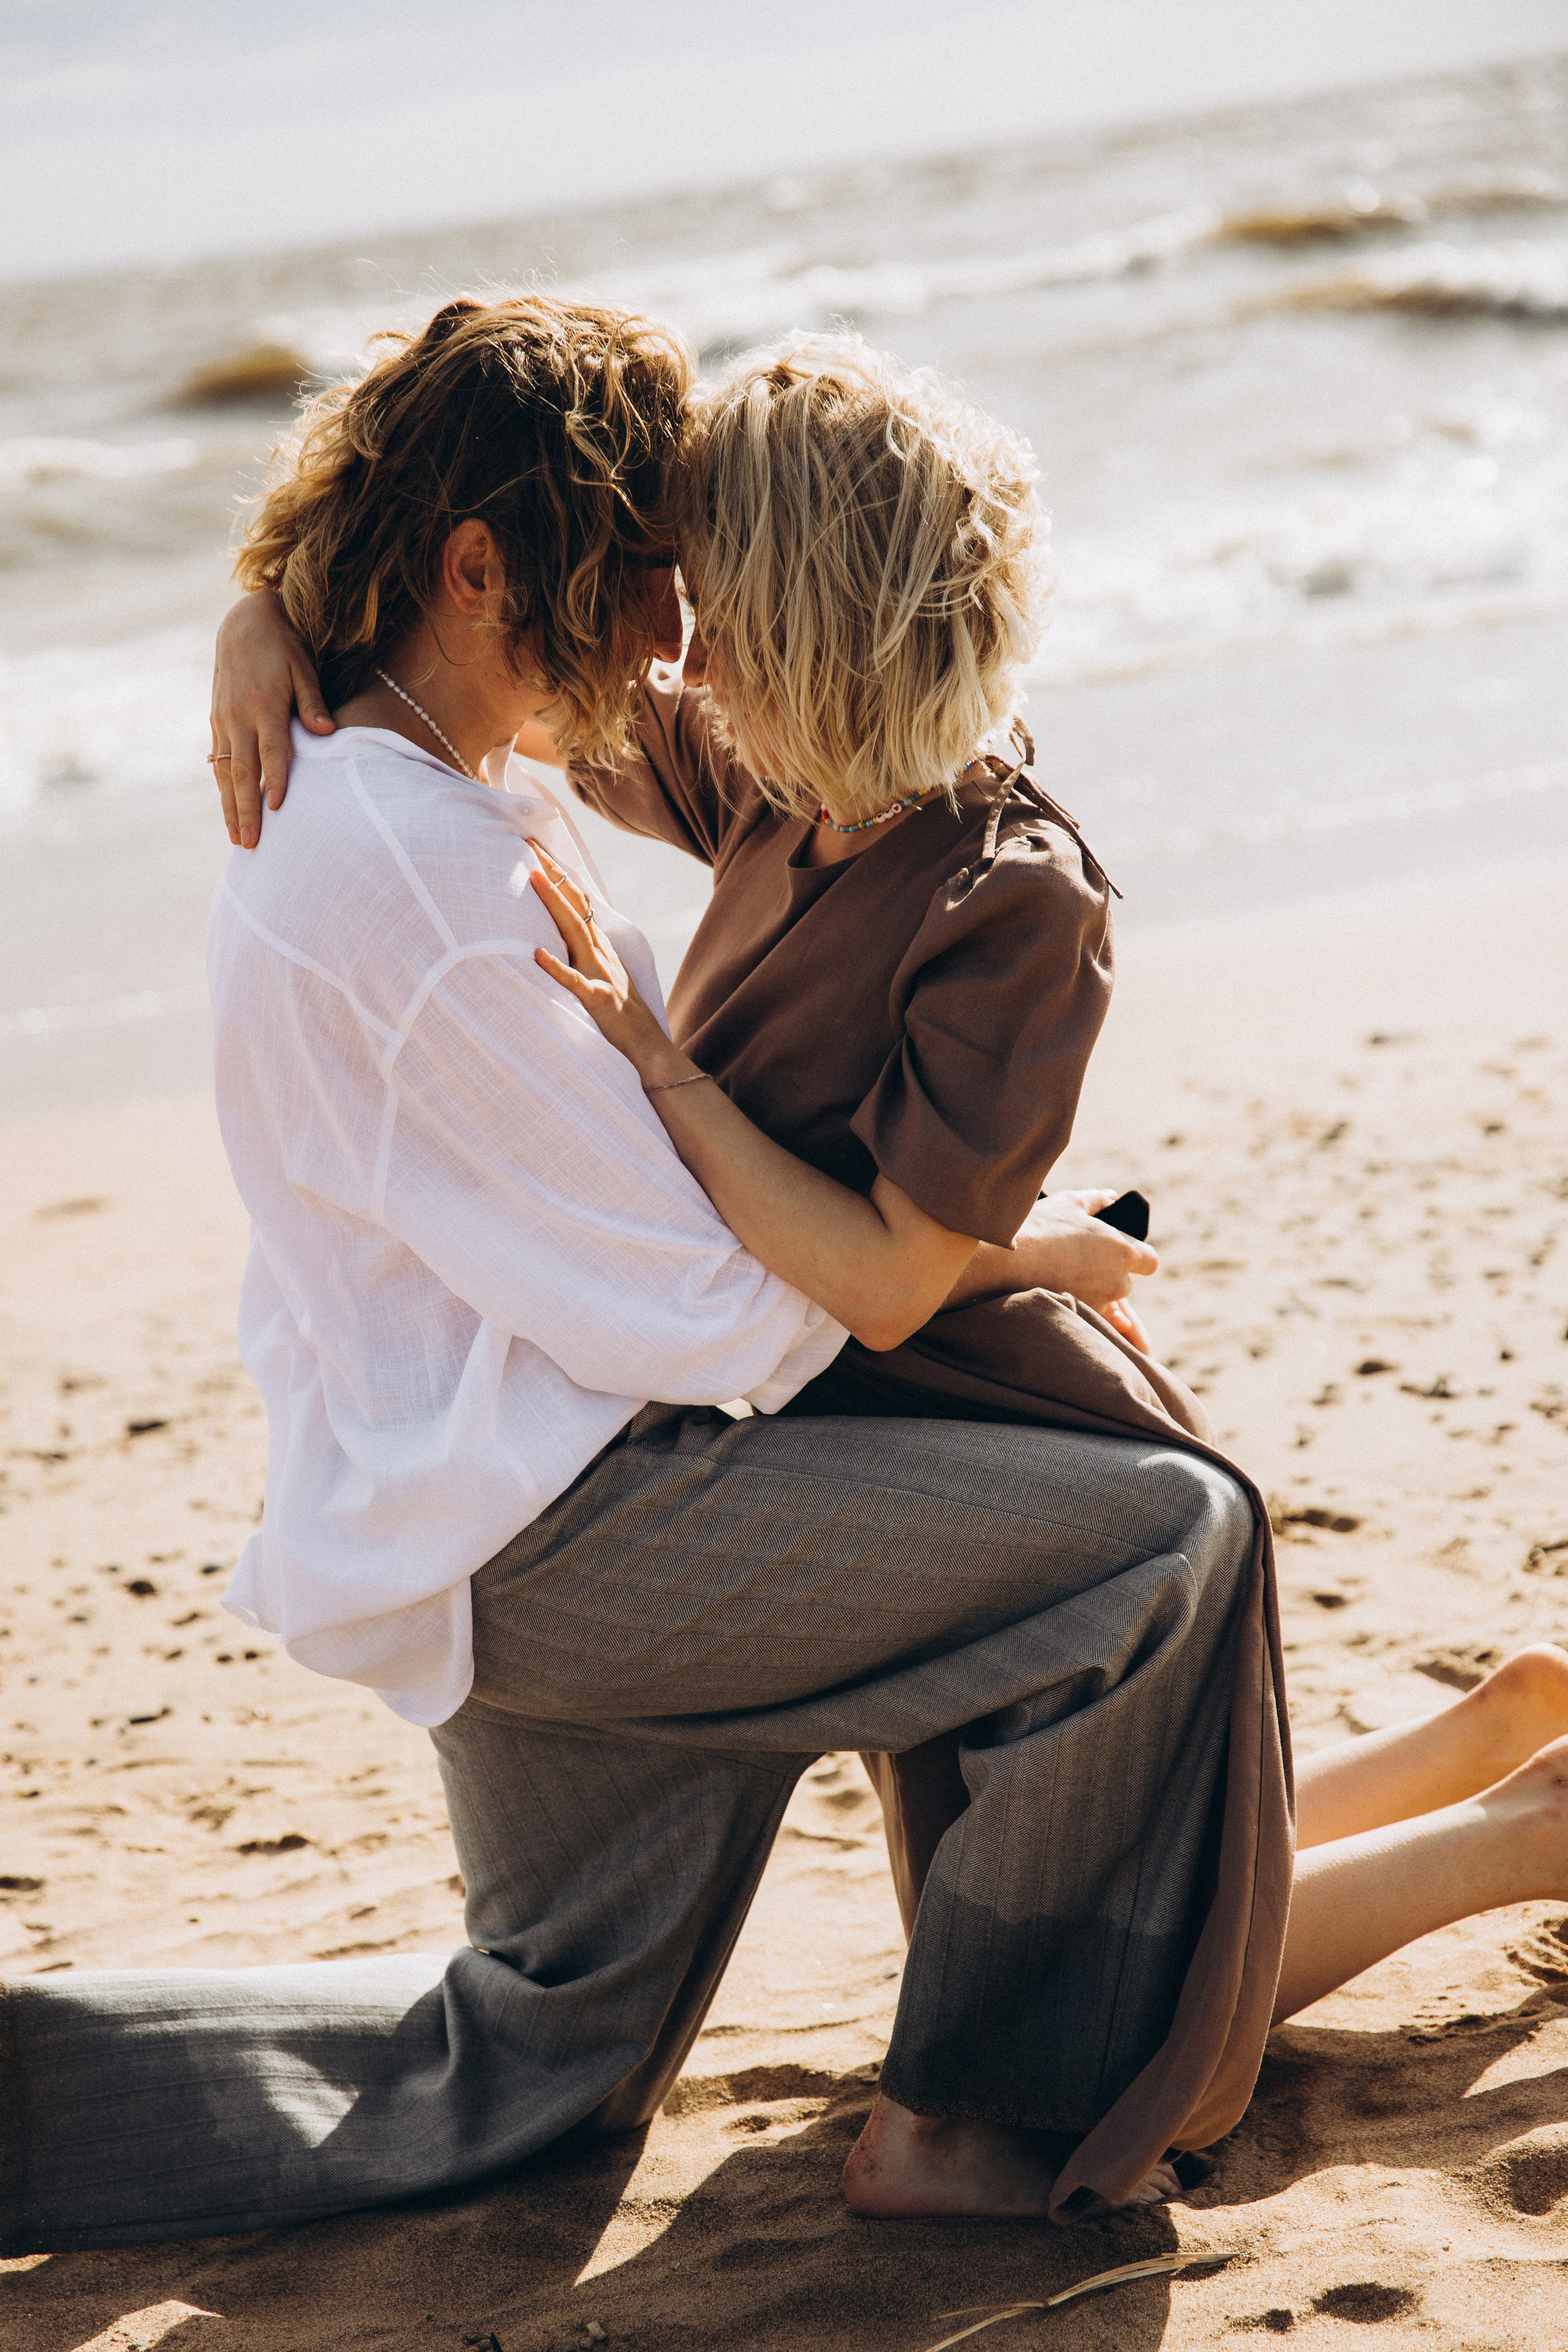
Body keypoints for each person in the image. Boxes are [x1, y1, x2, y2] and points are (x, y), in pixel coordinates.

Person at [191, 312, 1568, 2242]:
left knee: (1117, 1924)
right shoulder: (764, 772)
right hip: (825, 1392)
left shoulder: (1010, 893)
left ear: (808, 620)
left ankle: (1510, 1834)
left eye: (704, 598)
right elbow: (475, 636)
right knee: (1046, 1923)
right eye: (666, 588)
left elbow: (889, 1278)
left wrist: (690, 1086)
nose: (667, 646)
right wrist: (271, 611)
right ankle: (1500, 1778)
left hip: (932, 1382)